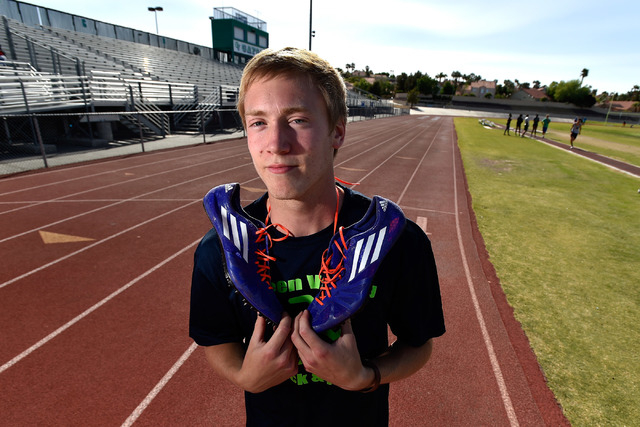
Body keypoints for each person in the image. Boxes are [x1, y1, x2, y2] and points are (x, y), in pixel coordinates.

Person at [189, 47, 445, 426]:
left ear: (336, 131)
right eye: (258, 122)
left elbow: (418, 344)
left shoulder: (398, 241)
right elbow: (216, 340)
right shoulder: (220, 250)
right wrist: (245, 376)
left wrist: (364, 376)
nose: (276, 143)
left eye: (297, 119)